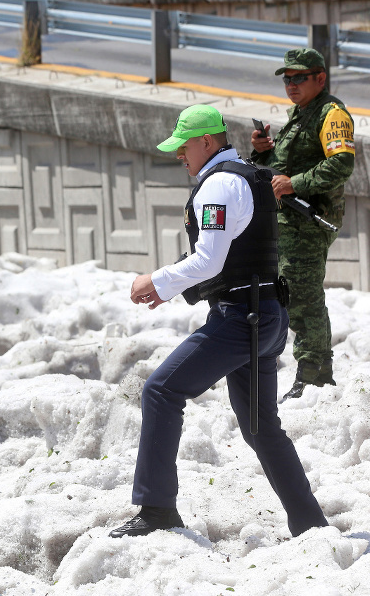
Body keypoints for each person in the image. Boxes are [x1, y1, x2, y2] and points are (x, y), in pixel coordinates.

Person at [111, 105, 328, 539]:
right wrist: (168, 286)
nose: (179, 155)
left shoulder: (220, 184)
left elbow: (209, 261)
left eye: (183, 146)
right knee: (262, 427)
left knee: (161, 390)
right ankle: (311, 526)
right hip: (265, 317)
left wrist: (154, 280)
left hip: (241, 319)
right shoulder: (244, 175)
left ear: (206, 141)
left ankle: (156, 510)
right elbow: (225, 257)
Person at [251, 48, 355, 400]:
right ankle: (314, 374)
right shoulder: (300, 114)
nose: (291, 84)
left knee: (303, 297)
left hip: (310, 221)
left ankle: (315, 378)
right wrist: (263, 151)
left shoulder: (331, 114)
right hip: (289, 222)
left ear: (320, 78)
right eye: (287, 78)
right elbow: (281, 167)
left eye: (299, 78)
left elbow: (341, 164)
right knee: (292, 295)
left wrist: (296, 183)